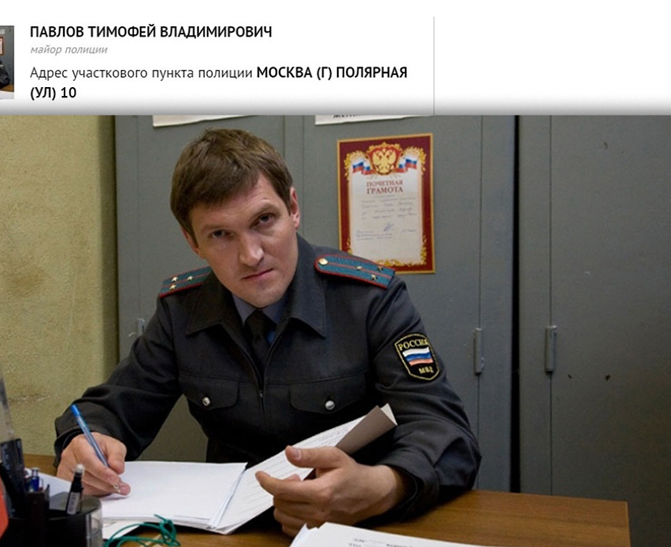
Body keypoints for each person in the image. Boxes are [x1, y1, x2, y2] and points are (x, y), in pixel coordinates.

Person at [54, 128, 481, 536]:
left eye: (263, 220)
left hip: (354, 527)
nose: (251, 255)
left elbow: (444, 431)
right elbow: (111, 408)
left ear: (293, 209)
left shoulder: (368, 300)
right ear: (193, 242)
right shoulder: (182, 311)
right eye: (220, 234)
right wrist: (85, 443)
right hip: (234, 534)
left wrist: (382, 487)